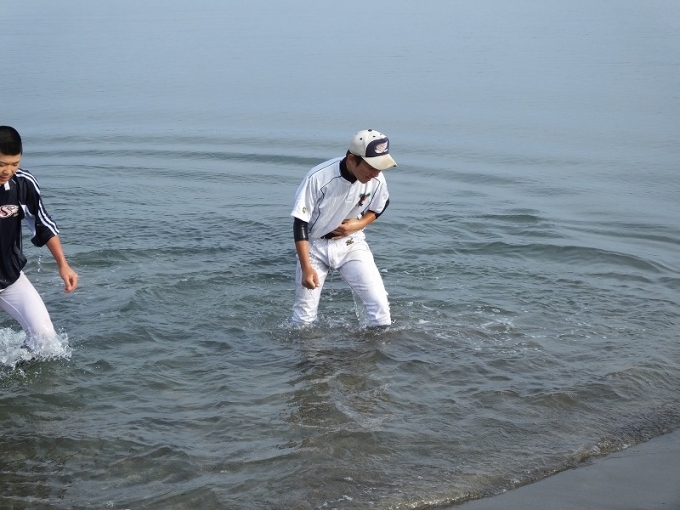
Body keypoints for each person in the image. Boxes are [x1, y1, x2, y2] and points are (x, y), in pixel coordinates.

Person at [291, 129, 397, 327]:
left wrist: (359, 224)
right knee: (303, 319)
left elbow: (382, 204)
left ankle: (377, 347)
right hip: (314, 247)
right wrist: (306, 268)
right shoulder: (319, 178)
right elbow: (300, 222)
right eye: (371, 167)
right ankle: (305, 348)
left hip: (351, 243)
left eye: (380, 167)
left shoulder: (376, 179)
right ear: (351, 159)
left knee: (379, 307)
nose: (376, 173)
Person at [0, 126, 79, 350]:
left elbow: (42, 223)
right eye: (2, 164)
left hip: (9, 277)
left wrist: (63, 265)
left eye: (14, 164)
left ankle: (24, 371)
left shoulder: (22, 183)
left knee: (45, 338)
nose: (8, 171)